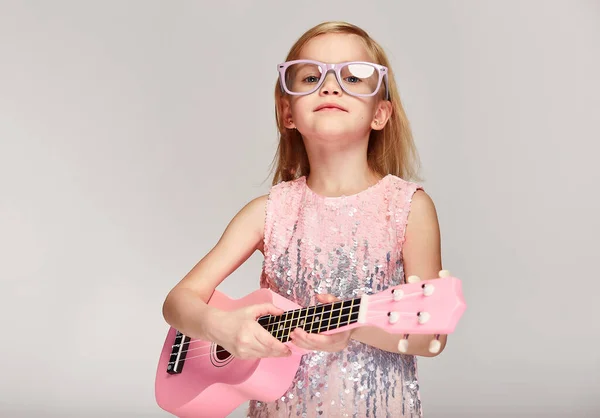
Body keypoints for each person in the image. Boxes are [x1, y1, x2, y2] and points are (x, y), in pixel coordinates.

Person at [162, 20, 447, 418]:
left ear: (380, 113)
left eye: (354, 76)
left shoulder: (408, 208)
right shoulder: (268, 212)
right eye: (311, 76)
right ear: (288, 113)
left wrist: (352, 329)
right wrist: (221, 328)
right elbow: (177, 302)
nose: (330, 86)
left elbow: (431, 336)